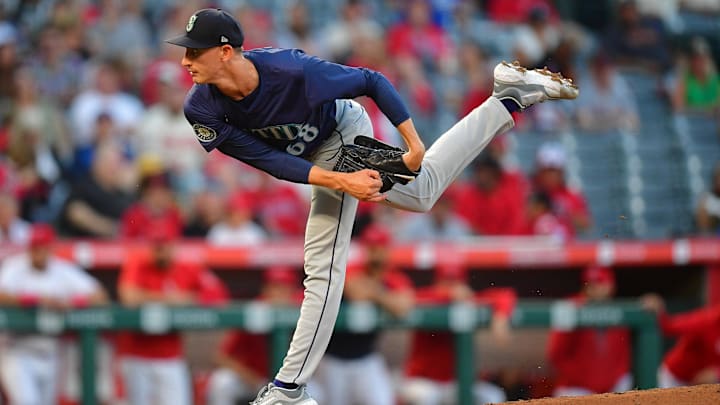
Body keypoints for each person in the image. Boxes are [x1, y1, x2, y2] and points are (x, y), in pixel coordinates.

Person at [165, 8, 578, 404]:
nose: (185, 61)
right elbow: (270, 161)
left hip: (341, 129)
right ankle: (506, 99)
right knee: (423, 191)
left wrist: (414, 143)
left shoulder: (289, 70)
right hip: (318, 159)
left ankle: (288, 388)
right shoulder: (200, 106)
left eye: (194, 51)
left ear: (225, 51)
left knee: (323, 268)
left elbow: (372, 81)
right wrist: (341, 181)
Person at [117, 224, 229, 405]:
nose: (161, 252)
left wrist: (189, 298)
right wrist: (170, 299)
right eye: (157, 246)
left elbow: (217, 295)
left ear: (173, 246)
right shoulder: (138, 263)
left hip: (170, 356)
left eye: (165, 246)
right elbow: (128, 297)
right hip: (136, 354)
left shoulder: (186, 268)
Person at [0, 223, 108, 405]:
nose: (39, 252)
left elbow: (100, 296)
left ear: (51, 248)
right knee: (27, 401)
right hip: (17, 350)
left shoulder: (62, 269)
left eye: (43, 247)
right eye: (35, 247)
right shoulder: (14, 267)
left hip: (51, 352)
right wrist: (35, 300)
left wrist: (72, 302)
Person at [313, 223, 414, 405]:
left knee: (383, 401)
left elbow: (403, 306)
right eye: (371, 247)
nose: (375, 253)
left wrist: (375, 293)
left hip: (367, 357)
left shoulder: (393, 277)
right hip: (333, 357)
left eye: (380, 247)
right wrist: (384, 296)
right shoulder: (353, 268)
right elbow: (357, 293)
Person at [400, 261, 510, 405]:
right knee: (426, 397)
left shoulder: (466, 301)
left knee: (493, 396)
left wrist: (501, 314)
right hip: (422, 381)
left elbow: (505, 295)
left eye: (455, 282)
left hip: (456, 385)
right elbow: (413, 300)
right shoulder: (426, 297)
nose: (451, 287)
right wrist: (447, 296)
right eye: (446, 282)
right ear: (437, 282)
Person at [206, 266, 304, 405]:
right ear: (266, 289)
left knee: (316, 392)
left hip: (289, 381)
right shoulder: (255, 311)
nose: (280, 293)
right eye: (275, 287)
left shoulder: (301, 308)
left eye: (285, 287)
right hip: (255, 379)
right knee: (222, 383)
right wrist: (251, 377)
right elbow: (220, 357)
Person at [546, 266, 632, 396]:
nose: (594, 288)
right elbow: (555, 354)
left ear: (611, 286)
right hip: (576, 388)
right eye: (590, 283)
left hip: (611, 388)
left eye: (599, 283)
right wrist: (586, 379)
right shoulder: (571, 307)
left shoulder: (620, 311)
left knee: (627, 382)